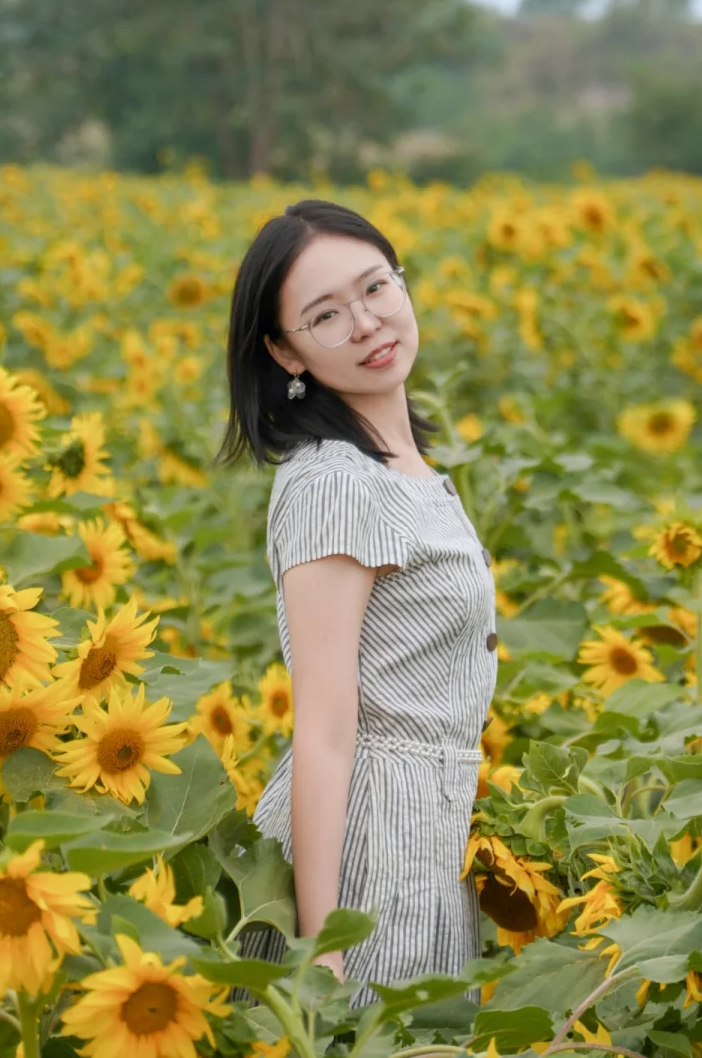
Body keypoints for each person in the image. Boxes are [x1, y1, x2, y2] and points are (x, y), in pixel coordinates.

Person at [220, 198, 498, 1002]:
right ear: (283, 350)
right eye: (327, 315)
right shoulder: (334, 484)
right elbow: (327, 729)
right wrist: (325, 947)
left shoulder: (396, 468)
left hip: (428, 838)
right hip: (371, 852)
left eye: (376, 288)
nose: (369, 323)